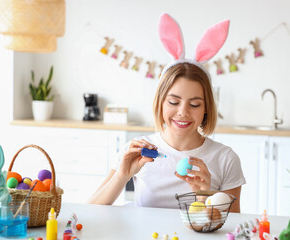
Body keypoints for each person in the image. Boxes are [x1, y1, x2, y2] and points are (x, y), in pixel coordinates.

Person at [88, 13, 246, 212]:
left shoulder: (225, 159)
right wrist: (122, 175)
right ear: (161, 102)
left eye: (195, 104)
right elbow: (89, 210)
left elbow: (232, 228)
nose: (183, 112)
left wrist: (205, 196)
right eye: (173, 101)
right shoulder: (137, 151)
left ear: (206, 109)